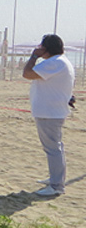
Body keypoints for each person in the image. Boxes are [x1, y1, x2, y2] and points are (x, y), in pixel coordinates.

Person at [22, 33, 75, 197]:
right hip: (52, 111)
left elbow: (27, 73)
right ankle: (56, 178)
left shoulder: (54, 62)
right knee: (54, 147)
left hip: (49, 112)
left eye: (41, 47)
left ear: (47, 48)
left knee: (53, 149)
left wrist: (34, 56)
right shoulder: (60, 62)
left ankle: (56, 185)